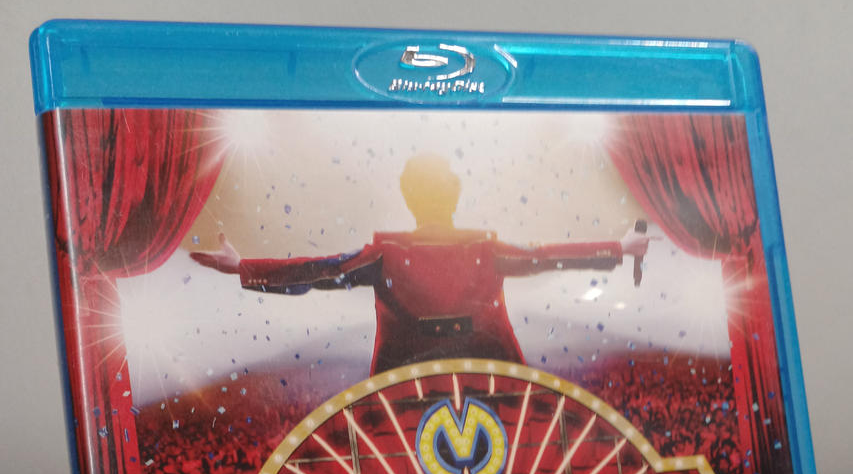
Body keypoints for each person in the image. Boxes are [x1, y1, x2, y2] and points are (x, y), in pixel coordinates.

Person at [191, 153, 652, 374]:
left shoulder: (386, 254)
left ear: (410, 197)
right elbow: (546, 258)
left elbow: (318, 272)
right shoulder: (485, 249)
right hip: (491, 377)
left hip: (404, 387)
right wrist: (619, 248)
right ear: (455, 194)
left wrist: (243, 267)